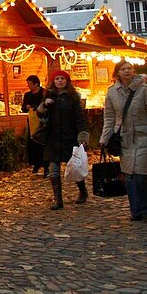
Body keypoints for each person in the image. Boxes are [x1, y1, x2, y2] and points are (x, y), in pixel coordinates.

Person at [100, 60, 147, 221]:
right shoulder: (112, 92)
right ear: (117, 73)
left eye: (129, 68)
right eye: (123, 69)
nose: (127, 71)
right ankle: (135, 211)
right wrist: (104, 138)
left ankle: (144, 209)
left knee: (141, 174)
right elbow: (109, 117)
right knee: (129, 176)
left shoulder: (144, 89)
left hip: (145, 136)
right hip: (124, 138)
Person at [35, 70, 88, 210]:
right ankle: (58, 199)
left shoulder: (72, 97)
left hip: (70, 136)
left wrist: (82, 135)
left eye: (62, 79)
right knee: (54, 168)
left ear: (66, 81)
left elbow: (79, 117)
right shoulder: (48, 96)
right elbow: (39, 115)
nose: (59, 81)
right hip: (53, 137)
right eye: (57, 78)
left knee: (75, 166)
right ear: (53, 81)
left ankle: (83, 192)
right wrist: (45, 105)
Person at [22, 75, 48, 176]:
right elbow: (23, 108)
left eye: (29, 83)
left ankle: (46, 167)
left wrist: (37, 107)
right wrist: (26, 107)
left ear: (35, 83)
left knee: (43, 144)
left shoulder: (44, 93)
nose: (28, 85)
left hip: (43, 122)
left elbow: (46, 106)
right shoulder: (27, 95)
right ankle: (36, 164)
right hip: (32, 122)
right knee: (33, 143)